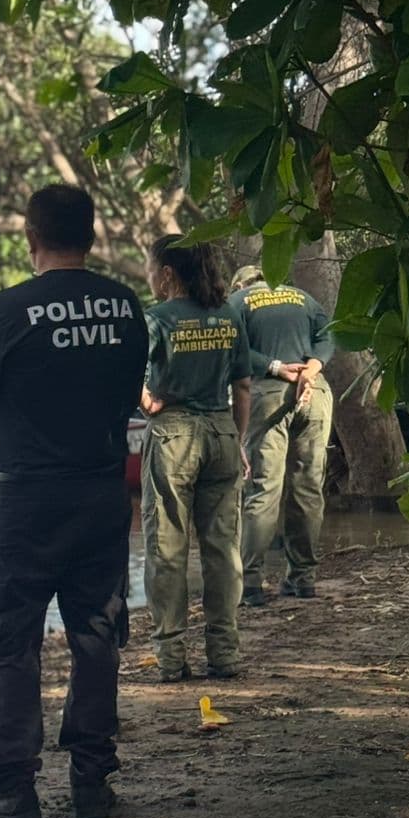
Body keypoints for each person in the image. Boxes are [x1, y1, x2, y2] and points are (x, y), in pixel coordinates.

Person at [0, 184, 149, 818]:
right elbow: (129, 394)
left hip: (29, 495)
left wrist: (20, 447)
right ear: (92, 237)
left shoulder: (7, 310)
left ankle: (13, 790)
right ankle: (92, 785)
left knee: (13, 639)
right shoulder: (125, 306)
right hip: (100, 491)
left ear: (30, 236)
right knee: (97, 634)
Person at [141, 236, 251, 682]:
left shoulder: (157, 318)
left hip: (173, 436)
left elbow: (133, 377)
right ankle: (224, 655)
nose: (149, 276)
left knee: (167, 550)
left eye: (150, 268)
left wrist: (149, 402)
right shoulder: (228, 314)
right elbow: (243, 385)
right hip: (222, 431)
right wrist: (238, 440)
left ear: (167, 274)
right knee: (222, 550)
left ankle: (170, 659)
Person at [229, 265, 335, 605]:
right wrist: (313, 367)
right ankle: (303, 579)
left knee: (263, 489)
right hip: (315, 393)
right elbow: (329, 335)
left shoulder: (237, 301)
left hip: (268, 396)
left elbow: (231, 347)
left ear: (242, 284)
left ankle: (251, 584)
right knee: (308, 488)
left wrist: (274, 367)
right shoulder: (303, 297)